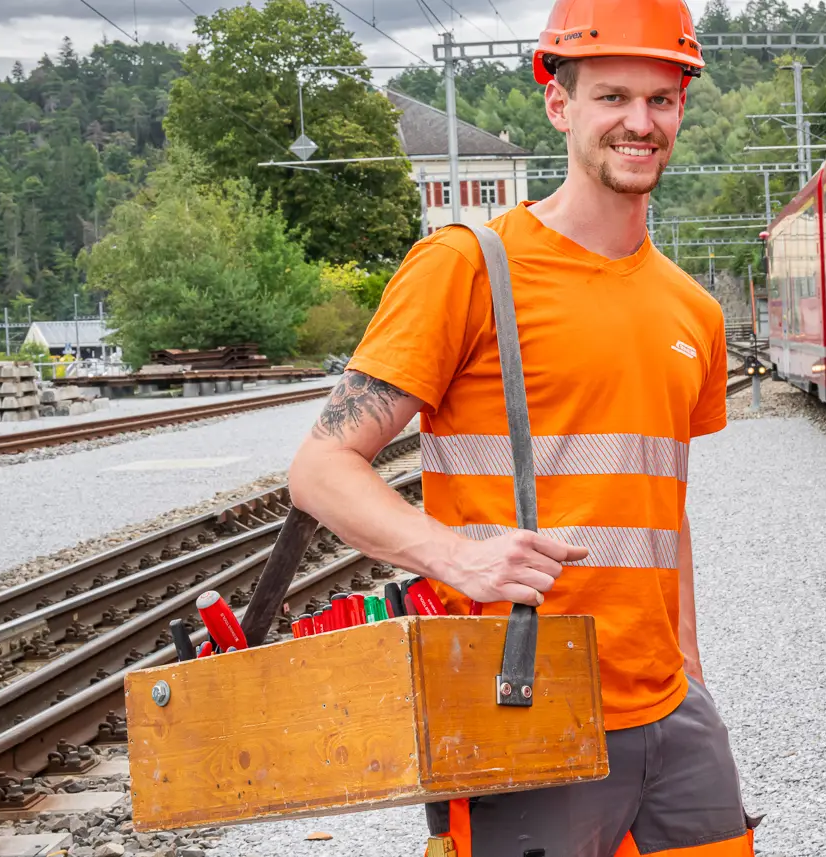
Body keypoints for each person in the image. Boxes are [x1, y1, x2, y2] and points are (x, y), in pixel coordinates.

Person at [287, 1, 754, 854]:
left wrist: (691, 667)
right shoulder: (470, 267)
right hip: (519, 701)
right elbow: (321, 468)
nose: (640, 123)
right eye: (613, 96)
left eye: (662, 99)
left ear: (684, 106)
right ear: (558, 103)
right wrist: (453, 554)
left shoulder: (692, 308)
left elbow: (661, 506)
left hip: (670, 713)